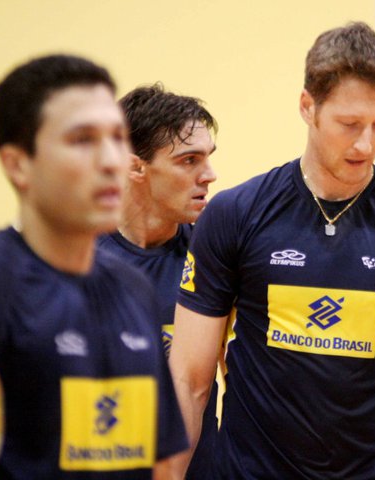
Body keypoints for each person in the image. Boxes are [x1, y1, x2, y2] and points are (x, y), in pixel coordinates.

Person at [169, 21, 375, 479]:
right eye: (349, 124)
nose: (366, 143)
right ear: (308, 106)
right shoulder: (235, 215)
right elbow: (188, 383)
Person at [0, 54, 187, 479]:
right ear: (18, 163)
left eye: (117, 138)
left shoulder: (135, 289)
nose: (111, 161)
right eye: (82, 140)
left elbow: (162, 464)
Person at [97, 84, 218, 479]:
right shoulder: (74, 263)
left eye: (209, 158)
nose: (209, 175)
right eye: (189, 160)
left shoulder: (214, 256)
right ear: (135, 167)